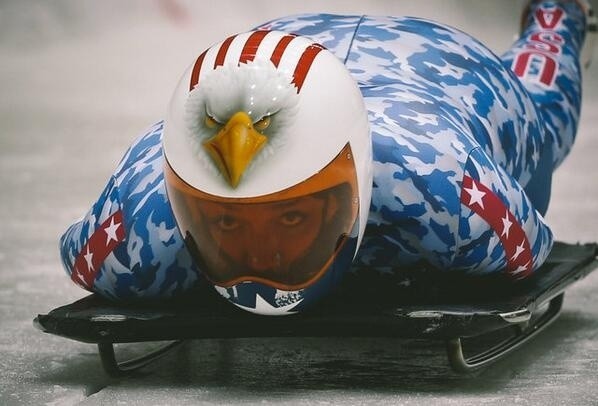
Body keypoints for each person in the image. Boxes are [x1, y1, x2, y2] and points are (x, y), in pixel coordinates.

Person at [60, 1, 594, 315]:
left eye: (291, 216)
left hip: (437, 65)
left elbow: (529, 249)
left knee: (540, 121)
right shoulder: (137, 216)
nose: (262, 257)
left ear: (361, 181)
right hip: (281, 48)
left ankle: (554, 23)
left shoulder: (446, 187)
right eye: (224, 219)